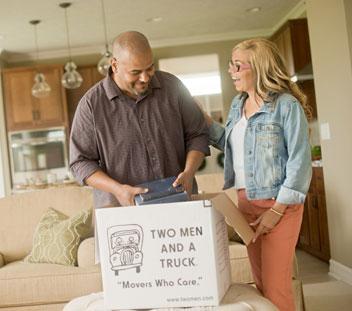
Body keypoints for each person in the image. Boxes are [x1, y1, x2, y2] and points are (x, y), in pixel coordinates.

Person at [205, 38, 312, 311]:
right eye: (231, 64)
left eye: (238, 65)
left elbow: (300, 163)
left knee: (276, 288)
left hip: (279, 205)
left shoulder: (286, 106)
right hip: (246, 204)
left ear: (260, 67)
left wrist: (276, 211)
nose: (231, 71)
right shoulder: (237, 105)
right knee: (261, 287)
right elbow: (229, 144)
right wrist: (202, 119)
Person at [69, 31, 209, 208]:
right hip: (122, 211)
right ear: (114, 65)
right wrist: (118, 189)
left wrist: (189, 172)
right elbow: (79, 162)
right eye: (135, 72)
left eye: (149, 68)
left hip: (179, 202)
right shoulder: (91, 105)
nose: (145, 78)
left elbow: (198, 134)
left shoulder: (173, 87)